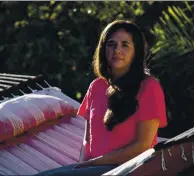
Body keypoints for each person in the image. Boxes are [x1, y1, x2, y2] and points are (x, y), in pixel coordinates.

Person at [34, 20, 167, 176]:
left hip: (130, 169)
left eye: (125, 45)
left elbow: (143, 145)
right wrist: (83, 166)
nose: (117, 50)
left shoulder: (149, 87)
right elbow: (87, 141)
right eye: (111, 44)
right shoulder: (96, 87)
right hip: (95, 169)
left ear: (136, 52)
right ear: (103, 49)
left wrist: (94, 163)